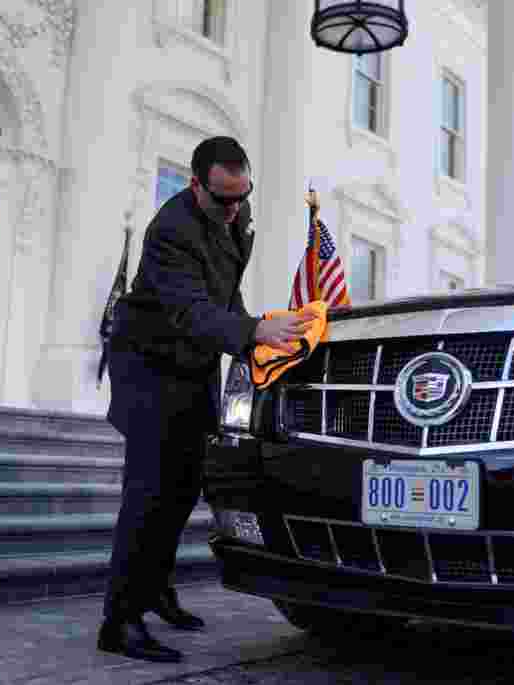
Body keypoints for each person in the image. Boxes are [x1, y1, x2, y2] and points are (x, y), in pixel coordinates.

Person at [97, 136, 314, 663]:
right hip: (148, 364)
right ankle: (119, 620)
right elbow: (192, 309)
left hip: (193, 364)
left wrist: (248, 334)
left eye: (243, 195)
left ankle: (157, 591)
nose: (235, 208)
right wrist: (254, 331)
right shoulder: (169, 232)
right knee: (149, 491)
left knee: (187, 484)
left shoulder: (236, 218)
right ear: (196, 185)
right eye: (223, 198)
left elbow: (223, 293)